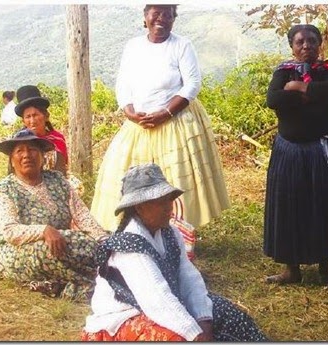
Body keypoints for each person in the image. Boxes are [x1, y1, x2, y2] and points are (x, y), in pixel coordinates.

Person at [81, 163, 268, 341]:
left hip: (165, 305)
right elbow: (156, 299)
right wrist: (194, 333)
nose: (169, 206)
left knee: (227, 314)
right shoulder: (129, 248)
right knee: (175, 338)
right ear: (139, 207)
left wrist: (204, 319)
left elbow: (189, 277)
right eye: (160, 201)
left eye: (169, 199)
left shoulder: (170, 233)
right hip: (124, 318)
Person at [91, 4, 229, 232]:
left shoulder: (182, 45)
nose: (161, 19)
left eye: (168, 14)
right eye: (156, 13)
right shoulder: (133, 46)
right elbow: (123, 84)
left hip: (174, 123)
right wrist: (130, 113)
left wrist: (166, 113)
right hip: (140, 125)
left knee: (175, 181)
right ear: (145, 17)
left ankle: (179, 234)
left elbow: (192, 84)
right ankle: (136, 231)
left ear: (174, 19)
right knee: (132, 179)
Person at [263, 24, 328, 285]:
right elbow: (273, 99)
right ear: (292, 46)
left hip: (324, 151)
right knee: (290, 206)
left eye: (312, 41)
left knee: (324, 204)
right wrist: (312, 96)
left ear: (320, 44)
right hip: (289, 152)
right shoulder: (283, 72)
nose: (306, 46)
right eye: (300, 42)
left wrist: (299, 89)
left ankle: (325, 268)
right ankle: (292, 269)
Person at [0, 129, 109, 299]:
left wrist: (103, 240)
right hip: (18, 251)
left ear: (43, 156)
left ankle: (99, 274)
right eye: (19, 151)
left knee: (95, 244)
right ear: (12, 161)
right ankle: (104, 283)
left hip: (63, 241)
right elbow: (10, 231)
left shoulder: (58, 180)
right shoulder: (4, 189)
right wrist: (44, 230)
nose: (27, 155)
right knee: (50, 251)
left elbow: (82, 215)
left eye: (33, 149)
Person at [15, 85, 68, 177]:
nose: (32, 121)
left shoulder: (57, 139)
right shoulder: (17, 142)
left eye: (35, 115)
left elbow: (62, 169)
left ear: (46, 116)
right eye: (28, 117)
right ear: (23, 121)